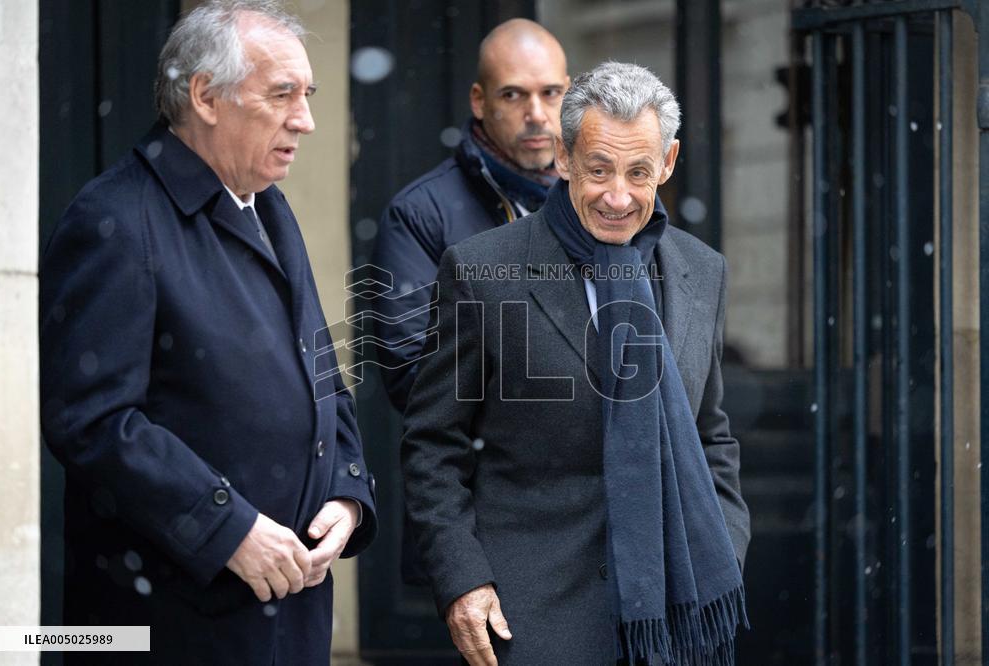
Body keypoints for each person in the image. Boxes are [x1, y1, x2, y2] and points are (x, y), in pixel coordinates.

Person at [38, 2, 375, 663]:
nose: (305, 120)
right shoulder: (116, 218)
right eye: (283, 95)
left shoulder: (269, 207)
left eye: (306, 96)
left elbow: (319, 370)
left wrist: (348, 490)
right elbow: (93, 421)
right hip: (171, 628)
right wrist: (231, 529)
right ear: (206, 96)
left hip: (289, 620)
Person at [401, 62, 750, 666]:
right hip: (532, 611)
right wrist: (463, 579)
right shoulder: (483, 271)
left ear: (668, 164)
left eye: (639, 172)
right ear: (563, 159)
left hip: (680, 607)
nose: (618, 196)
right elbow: (434, 443)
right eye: (598, 169)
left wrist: (722, 544)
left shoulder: (702, 270)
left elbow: (710, 435)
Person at [370, 18, 569, 413]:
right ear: (479, 101)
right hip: (484, 472)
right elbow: (413, 377)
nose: (537, 114)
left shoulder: (599, 200)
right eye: (513, 95)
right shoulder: (418, 215)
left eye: (550, 93)